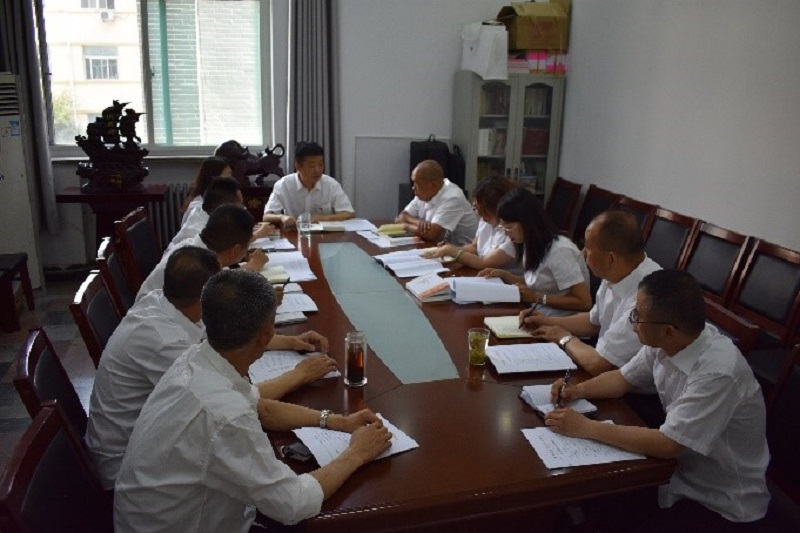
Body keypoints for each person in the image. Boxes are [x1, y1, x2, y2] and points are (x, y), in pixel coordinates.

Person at [114, 270, 392, 531]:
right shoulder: (225, 414)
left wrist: (339, 422)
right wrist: (357, 453)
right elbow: (293, 503)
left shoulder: (196, 359)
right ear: (267, 334)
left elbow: (262, 408)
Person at [86, 246, 334, 489]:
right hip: (130, 468)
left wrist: (291, 341)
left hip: (151, 443)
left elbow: (218, 336)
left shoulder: (166, 303)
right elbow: (239, 398)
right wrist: (300, 374)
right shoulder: (164, 342)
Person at [544, 269, 770, 531]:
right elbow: (622, 379)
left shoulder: (718, 372)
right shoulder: (668, 342)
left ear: (669, 331)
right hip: (675, 473)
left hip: (718, 500)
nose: (632, 322)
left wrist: (586, 427)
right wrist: (576, 390)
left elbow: (668, 444)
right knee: (595, 504)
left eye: (638, 317)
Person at [521, 210, 661, 376]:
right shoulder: (617, 271)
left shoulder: (646, 298)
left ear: (610, 258)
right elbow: (594, 322)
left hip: (626, 386)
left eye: (587, 247)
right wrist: (546, 321)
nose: (582, 253)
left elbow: (597, 363)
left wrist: (562, 337)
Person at [478, 187, 591, 316]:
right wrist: (504, 275)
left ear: (527, 222)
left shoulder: (560, 251)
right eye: (503, 227)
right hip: (537, 312)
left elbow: (584, 302)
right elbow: (537, 285)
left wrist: (538, 297)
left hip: (560, 320)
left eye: (509, 227)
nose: (506, 233)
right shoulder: (529, 243)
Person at [135, 204, 268, 302]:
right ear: (235, 250)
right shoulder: (194, 265)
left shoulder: (195, 248)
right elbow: (221, 289)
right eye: (248, 245)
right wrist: (253, 265)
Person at [423, 176, 517, 270]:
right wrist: (452, 248)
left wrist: (452, 251)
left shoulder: (512, 233)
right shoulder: (485, 221)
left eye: (482, 208)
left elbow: (484, 263)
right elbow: (474, 247)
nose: (476, 209)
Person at [262, 141, 355, 227]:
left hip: (325, 236)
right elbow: (267, 216)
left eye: (321, 164)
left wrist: (323, 218)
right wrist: (282, 218)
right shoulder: (283, 185)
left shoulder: (331, 184)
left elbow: (349, 213)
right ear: (298, 166)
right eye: (312, 166)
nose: (317, 170)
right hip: (295, 234)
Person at [396, 159, 479, 246]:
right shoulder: (423, 194)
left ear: (433, 185)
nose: (413, 188)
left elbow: (432, 234)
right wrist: (419, 222)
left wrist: (405, 226)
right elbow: (401, 217)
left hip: (462, 250)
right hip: (440, 247)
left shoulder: (453, 197)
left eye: (417, 184)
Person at [168, 176, 244, 252]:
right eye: (241, 204)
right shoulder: (199, 238)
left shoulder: (207, 214)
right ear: (226, 210)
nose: (243, 208)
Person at [181, 156, 232, 223]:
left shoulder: (224, 201)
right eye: (228, 175)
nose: (231, 179)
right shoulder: (197, 209)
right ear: (214, 178)